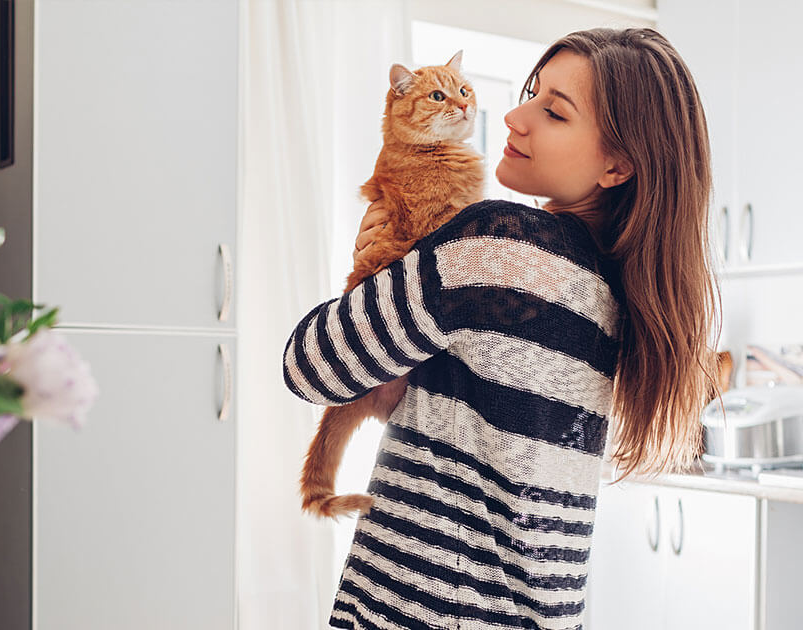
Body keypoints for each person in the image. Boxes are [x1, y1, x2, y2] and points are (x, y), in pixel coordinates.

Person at [282, 26, 717, 630]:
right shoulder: (618, 288)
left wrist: (377, 261)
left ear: (617, 165)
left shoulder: (495, 243)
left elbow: (311, 364)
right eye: (531, 92)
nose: (514, 115)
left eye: (554, 112)